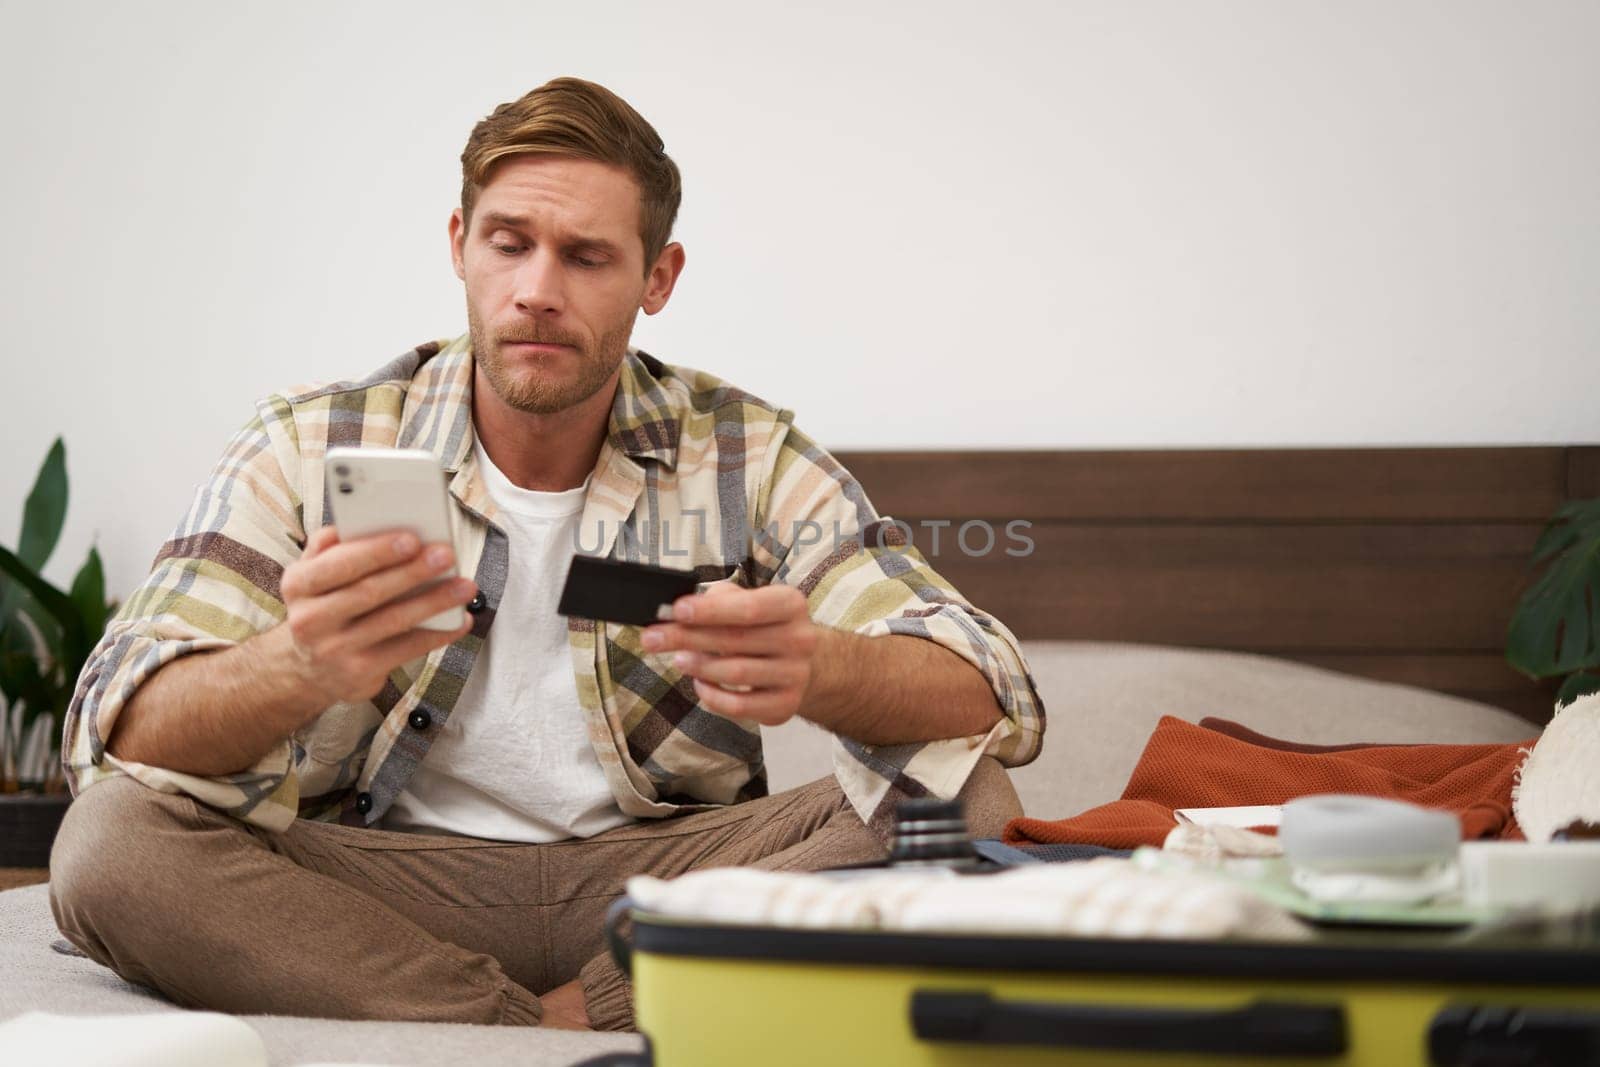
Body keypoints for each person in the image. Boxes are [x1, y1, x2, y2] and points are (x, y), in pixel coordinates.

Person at [49, 77, 1045, 1032]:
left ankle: (574, 1008)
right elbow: (122, 722)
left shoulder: (745, 452)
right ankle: (528, 1020)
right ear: (459, 245)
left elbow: (984, 689)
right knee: (109, 843)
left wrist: (823, 666)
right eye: (509, 243)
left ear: (657, 277)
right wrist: (295, 665)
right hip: (384, 881)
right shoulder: (312, 442)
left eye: (586, 256)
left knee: (968, 800)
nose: (535, 291)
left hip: (670, 880)